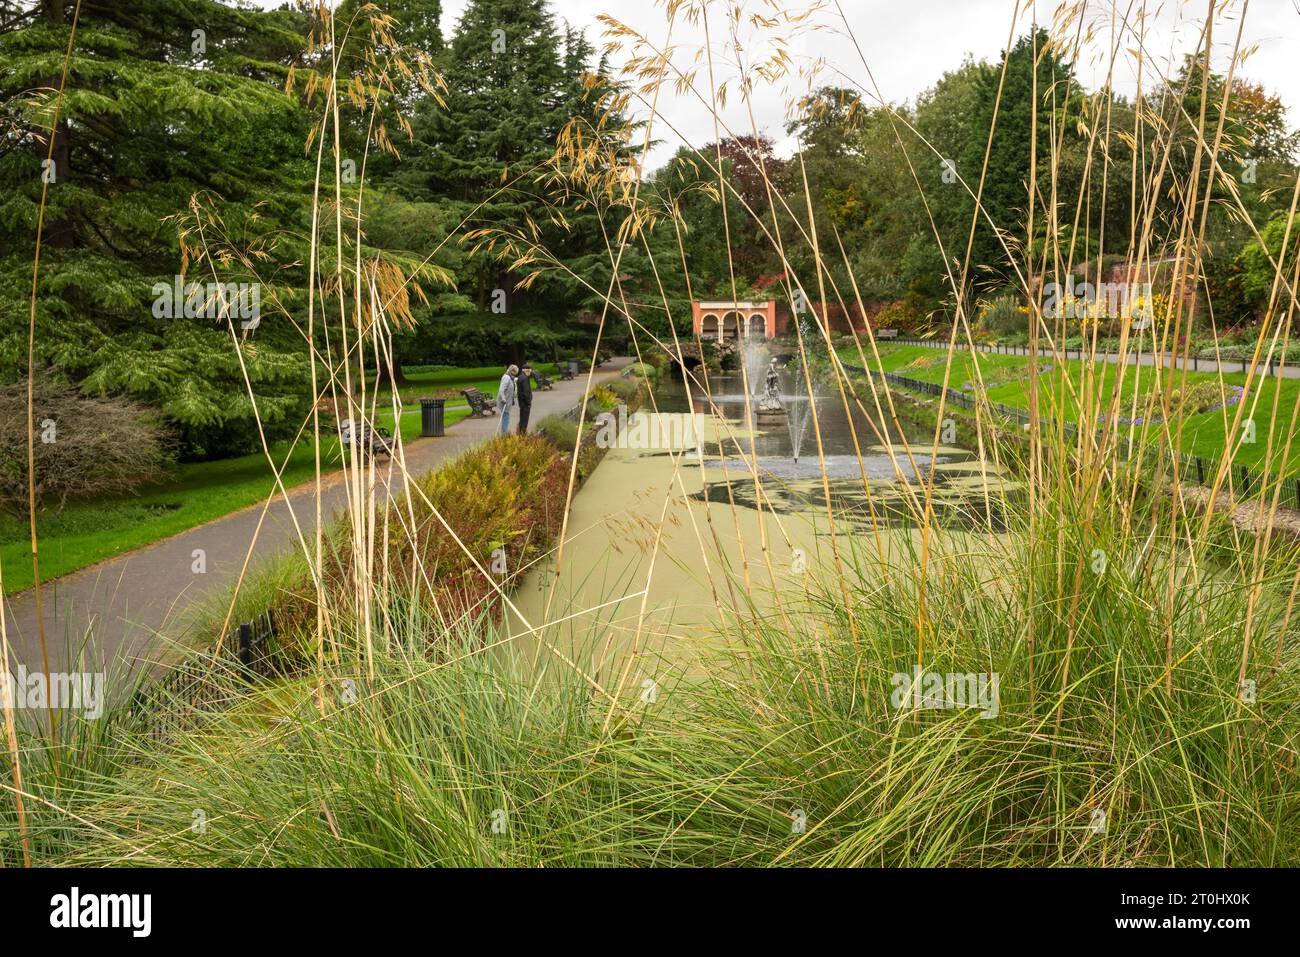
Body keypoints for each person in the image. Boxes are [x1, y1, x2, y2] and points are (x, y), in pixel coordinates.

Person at [497, 364, 518, 434]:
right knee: (505, 416)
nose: (515, 375)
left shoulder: (510, 377)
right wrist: (503, 399)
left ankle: (504, 431)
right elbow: (501, 389)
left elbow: (513, 381)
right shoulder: (507, 377)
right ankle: (504, 433)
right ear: (512, 371)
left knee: (506, 416)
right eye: (515, 373)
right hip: (504, 401)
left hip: (507, 401)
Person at [516, 362, 534, 433]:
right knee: (525, 420)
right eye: (530, 371)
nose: (530, 373)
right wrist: (529, 402)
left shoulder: (520, 377)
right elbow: (526, 392)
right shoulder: (525, 378)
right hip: (525, 403)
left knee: (522, 418)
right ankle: (523, 434)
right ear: (527, 370)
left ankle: (520, 432)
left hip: (521, 403)